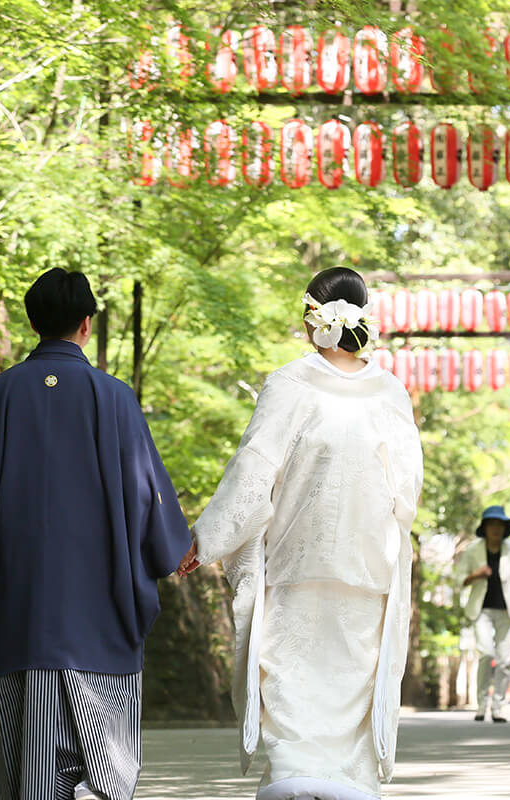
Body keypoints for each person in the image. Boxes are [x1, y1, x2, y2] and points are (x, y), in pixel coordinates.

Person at [0, 268, 193, 800]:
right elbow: (148, 494)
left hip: (25, 597)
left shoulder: (0, 394)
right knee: (103, 724)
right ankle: (98, 785)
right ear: (86, 324)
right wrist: (174, 548)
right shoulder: (114, 398)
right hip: (102, 597)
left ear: (33, 323)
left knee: (30, 732)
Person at [178, 267, 423, 800]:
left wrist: (207, 538)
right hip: (367, 568)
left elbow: (254, 470)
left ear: (313, 316)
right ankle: (348, 784)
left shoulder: (290, 383)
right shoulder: (390, 393)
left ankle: (293, 778)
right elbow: (407, 491)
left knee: (290, 677)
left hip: (297, 560)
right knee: (352, 683)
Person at [454, 506, 510, 723]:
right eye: (492, 525)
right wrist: (476, 575)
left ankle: (497, 707)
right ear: (485, 528)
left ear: (505, 528)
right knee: (486, 654)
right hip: (481, 610)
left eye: (500, 525)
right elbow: (459, 580)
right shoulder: (473, 550)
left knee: (505, 660)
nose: (496, 529)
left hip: (507, 611)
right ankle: (481, 705)